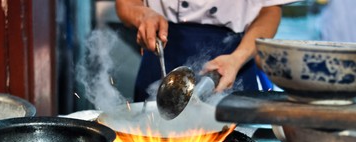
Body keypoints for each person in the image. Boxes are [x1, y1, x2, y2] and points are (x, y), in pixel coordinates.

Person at [115, 0, 301, 102]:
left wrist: (238, 58)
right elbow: (126, 4)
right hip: (163, 48)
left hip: (234, 57)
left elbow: (270, 10)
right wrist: (143, 15)